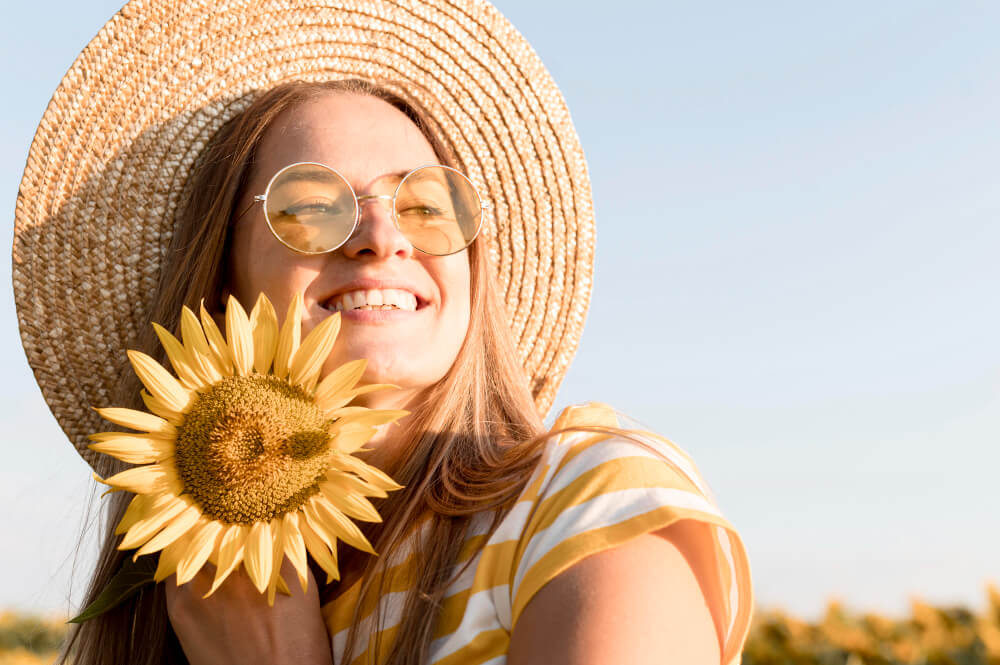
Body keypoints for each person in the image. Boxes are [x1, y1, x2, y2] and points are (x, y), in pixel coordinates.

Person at [13, 2, 753, 665]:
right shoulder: (185, 608)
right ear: (221, 278)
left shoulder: (589, 504)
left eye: (427, 203)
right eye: (311, 203)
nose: (380, 236)